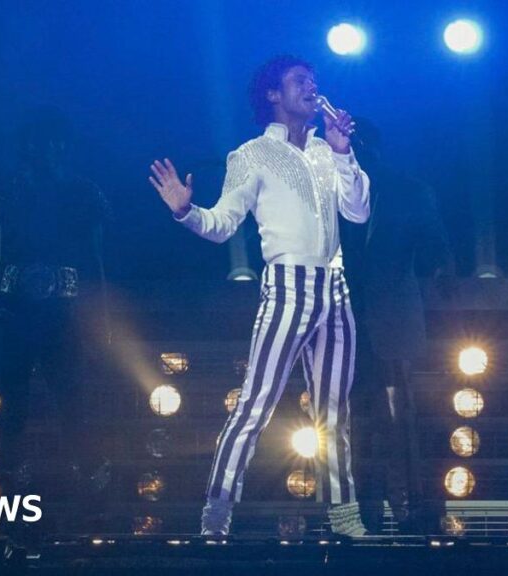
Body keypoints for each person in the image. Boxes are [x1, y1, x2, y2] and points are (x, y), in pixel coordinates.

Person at [148, 55, 371, 536]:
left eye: (314, 80)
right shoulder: (251, 154)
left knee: (335, 412)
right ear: (274, 94)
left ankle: (344, 514)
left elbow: (357, 213)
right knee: (255, 406)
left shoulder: (324, 150)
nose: (311, 87)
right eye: (299, 81)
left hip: (335, 286)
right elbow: (223, 222)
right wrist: (186, 212)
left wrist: (343, 153)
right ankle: (217, 512)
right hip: (288, 286)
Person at [0, 109, 110, 502]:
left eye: (56, 141)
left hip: (64, 310)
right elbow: (5, 246)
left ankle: (89, 475)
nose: (49, 149)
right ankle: (7, 475)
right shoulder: (9, 190)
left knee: (72, 395)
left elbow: (94, 257)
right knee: (13, 398)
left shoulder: (82, 192)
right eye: (41, 141)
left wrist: (98, 313)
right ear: (28, 147)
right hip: (18, 308)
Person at [340, 120, 455, 534]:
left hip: (395, 325)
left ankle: (410, 513)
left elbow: (438, 253)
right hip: (346, 324)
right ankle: (363, 514)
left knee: (403, 424)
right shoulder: (328, 192)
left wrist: (442, 279)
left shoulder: (409, 190)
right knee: (353, 426)